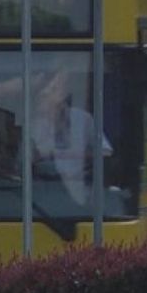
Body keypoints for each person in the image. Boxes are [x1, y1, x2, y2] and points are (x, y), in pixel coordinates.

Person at [30, 70, 112, 207]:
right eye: (44, 91)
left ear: (63, 94)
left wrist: (76, 155)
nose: (45, 94)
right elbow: (19, 161)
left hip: (76, 198)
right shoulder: (30, 124)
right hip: (39, 196)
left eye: (53, 89)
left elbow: (106, 152)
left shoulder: (82, 119)